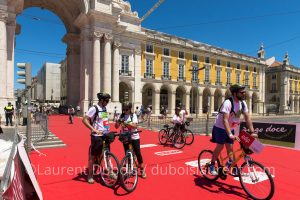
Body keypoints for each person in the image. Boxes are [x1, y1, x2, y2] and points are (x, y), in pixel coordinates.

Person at [209, 84, 256, 176]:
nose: (244, 94)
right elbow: (225, 119)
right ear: (235, 93)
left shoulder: (243, 103)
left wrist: (252, 131)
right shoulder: (228, 102)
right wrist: (230, 134)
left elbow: (247, 118)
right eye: (241, 92)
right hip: (220, 127)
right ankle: (212, 164)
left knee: (230, 148)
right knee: (220, 146)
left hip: (232, 127)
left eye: (244, 92)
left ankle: (233, 166)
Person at [82, 92, 111, 184]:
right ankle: (90, 175)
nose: (107, 102)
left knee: (107, 154)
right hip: (96, 136)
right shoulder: (94, 108)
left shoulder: (104, 108)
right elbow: (84, 119)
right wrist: (93, 129)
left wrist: (107, 129)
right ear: (101, 100)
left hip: (104, 134)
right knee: (93, 156)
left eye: (108, 101)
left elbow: (104, 120)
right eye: (106, 100)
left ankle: (109, 171)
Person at [115, 101, 147, 179]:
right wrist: (118, 122)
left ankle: (142, 169)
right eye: (124, 109)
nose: (125, 111)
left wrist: (126, 123)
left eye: (126, 109)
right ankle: (129, 169)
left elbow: (135, 126)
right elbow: (116, 127)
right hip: (125, 137)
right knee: (127, 153)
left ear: (130, 109)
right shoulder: (121, 116)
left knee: (138, 153)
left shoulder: (133, 116)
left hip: (134, 137)